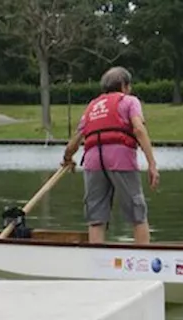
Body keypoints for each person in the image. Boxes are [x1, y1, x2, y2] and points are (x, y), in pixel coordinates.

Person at [61, 67, 160, 245]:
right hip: (120, 159)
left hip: (93, 162)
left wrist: (68, 158)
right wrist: (152, 164)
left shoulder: (92, 106)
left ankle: (96, 259)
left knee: (96, 215)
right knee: (137, 212)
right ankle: (143, 258)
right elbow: (138, 129)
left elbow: (75, 140)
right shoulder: (130, 101)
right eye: (129, 86)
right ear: (124, 86)